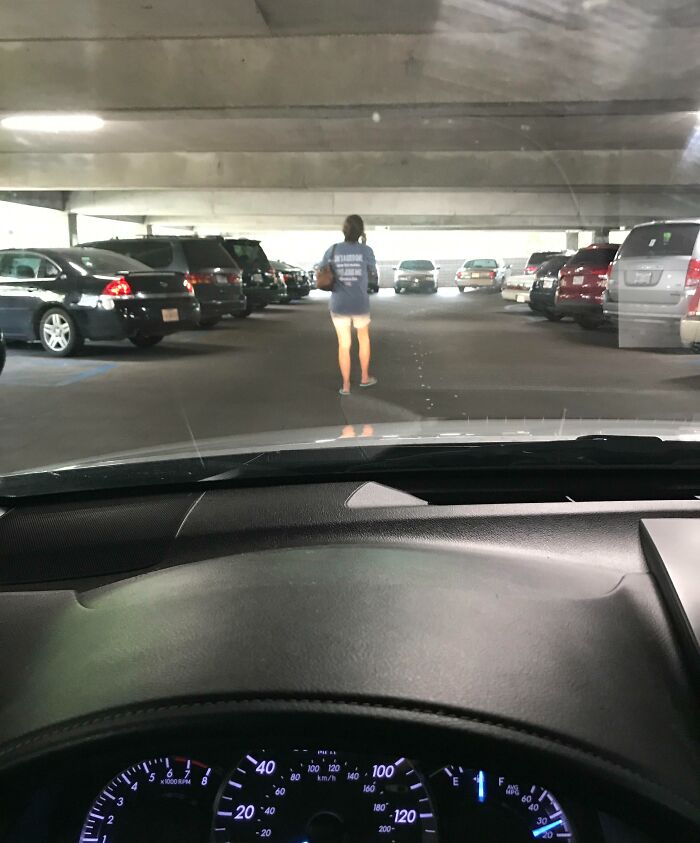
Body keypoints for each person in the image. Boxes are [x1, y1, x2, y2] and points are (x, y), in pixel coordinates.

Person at [319, 214, 378, 395]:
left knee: (344, 344)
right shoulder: (366, 251)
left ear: (344, 230)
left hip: (339, 303)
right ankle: (364, 377)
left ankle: (345, 386)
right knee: (363, 339)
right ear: (361, 231)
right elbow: (373, 274)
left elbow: (322, 269)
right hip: (359, 303)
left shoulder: (333, 250)